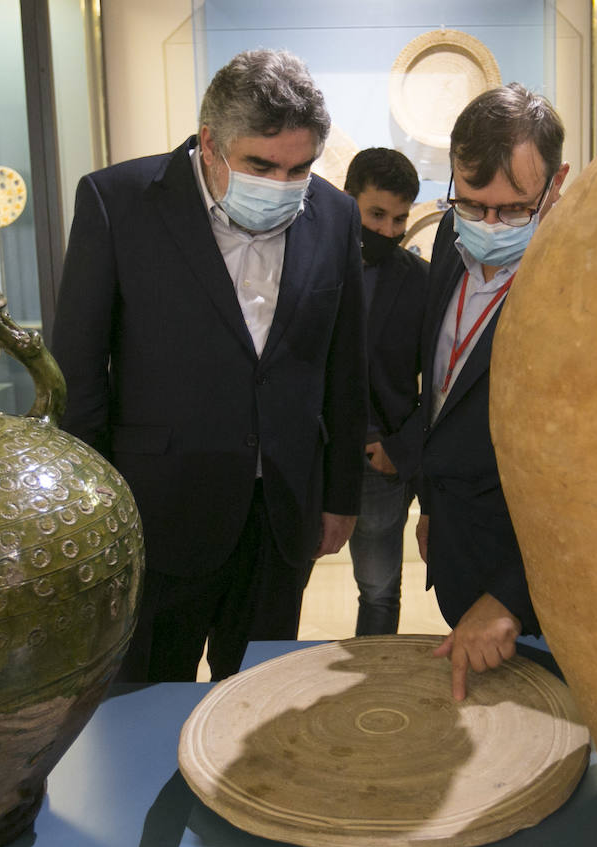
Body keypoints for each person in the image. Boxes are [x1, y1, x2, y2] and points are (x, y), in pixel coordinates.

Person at [52, 49, 366, 683]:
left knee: (258, 701)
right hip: (158, 512)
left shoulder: (335, 216)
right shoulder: (119, 203)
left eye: (299, 168)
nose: (281, 184)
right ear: (210, 143)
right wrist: (91, 513)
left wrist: (340, 496)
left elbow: (343, 368)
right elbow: (78, 375)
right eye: (260, 165)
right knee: (145, 696)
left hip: (281, 516)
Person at [397, 84, 569, 699]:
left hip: (537, 582)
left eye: (515, 210)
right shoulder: (450, 237)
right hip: (455, 537)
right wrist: (430, 503)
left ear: (558, 184)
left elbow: (590, 477)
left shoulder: (586, 284)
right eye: (472, 203)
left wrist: (509, 596)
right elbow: (441, 388)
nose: (489, 226)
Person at [342, 148, 429, 636]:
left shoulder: (421, 282)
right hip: (306, 461)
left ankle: (374, 699)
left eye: (400, 218)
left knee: (378, 592)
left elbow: (440, 385)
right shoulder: (303, 265)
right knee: (278, 590)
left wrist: (400, 451)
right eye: (376, 214)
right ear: (348, 198)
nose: (389, 230)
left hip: (380, 467)